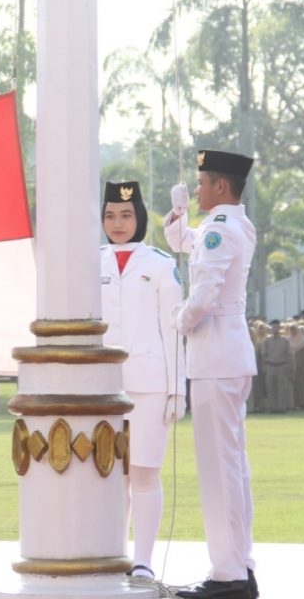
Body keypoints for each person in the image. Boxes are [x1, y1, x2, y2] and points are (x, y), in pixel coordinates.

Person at [164, 149, 258, 599]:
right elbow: (185, 242)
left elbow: (203, 294)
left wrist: (177, 322)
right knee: (233, 468)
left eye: (201, 184)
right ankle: (239, 564)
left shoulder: (221, 230)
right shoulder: (232, 225)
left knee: (219, 471)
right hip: (228, 355)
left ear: (221, 186)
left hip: (215, 355)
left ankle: (228, 576)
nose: (198, 189)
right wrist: (180, 211)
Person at [98, 180, 185, 579]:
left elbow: (174, 331)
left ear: (140, 218)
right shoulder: (90, 261)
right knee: (109, 472)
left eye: (126, 215)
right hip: (100, 386)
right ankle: (114, 554)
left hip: (149, 383)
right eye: (111, 215)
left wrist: (176, 389)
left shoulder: (159, 264)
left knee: (144, 471)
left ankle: (144, 561)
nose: (118, 223)